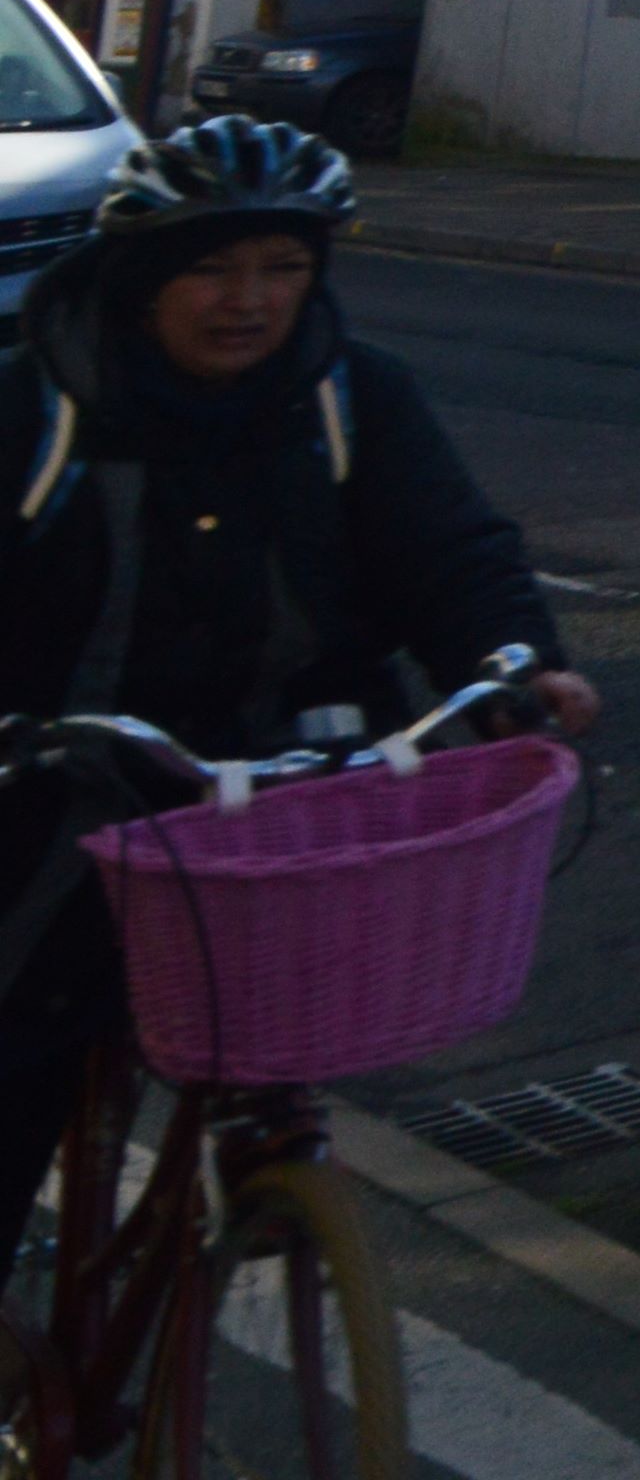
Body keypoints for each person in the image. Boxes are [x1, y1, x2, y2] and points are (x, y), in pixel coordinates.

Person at [0, 120, 597, 1166]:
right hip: (71, 775)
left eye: (285, 267)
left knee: (286, 1002)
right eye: (213, 269)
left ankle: (269, 1169)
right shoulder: (38, 405)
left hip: (293, 770)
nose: (252, 300)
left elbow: (450, 545)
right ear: (142, 278)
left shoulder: (353, 392)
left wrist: (512, 660)